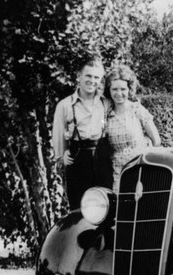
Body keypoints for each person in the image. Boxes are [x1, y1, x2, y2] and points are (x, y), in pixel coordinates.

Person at [52, 55, 112, 209]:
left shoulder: (106, 103)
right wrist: (62, 154)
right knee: (80, 209)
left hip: (102, 158)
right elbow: (58, 137)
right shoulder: (64, 105)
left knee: (106, 206)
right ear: (79, 76)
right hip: (78, 160)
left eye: (96, 77)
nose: (92, 80)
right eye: (88, 76)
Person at [104, 65, 161, 192]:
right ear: (109, 90)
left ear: (129, 89)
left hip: (141, 169)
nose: (119, 94)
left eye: (123, 89)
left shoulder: (137, 110)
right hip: (119, 173)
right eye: (115, 89)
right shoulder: (107, 115)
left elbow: (156, 140)